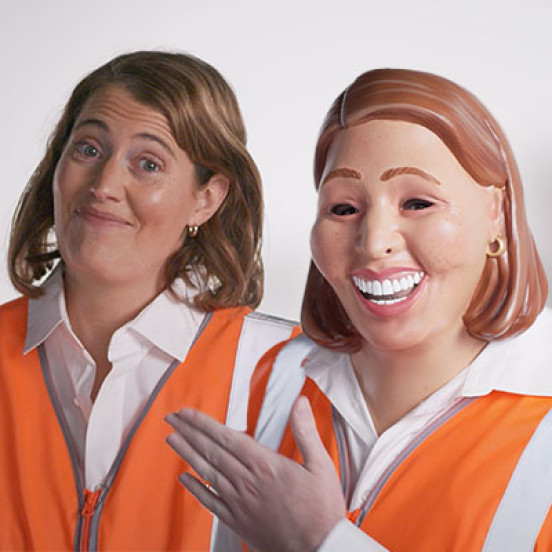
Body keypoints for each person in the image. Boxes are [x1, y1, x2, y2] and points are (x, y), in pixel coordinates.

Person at [166, 68, 552, 551]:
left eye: (417, 202)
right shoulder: (267, 382)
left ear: (496, 213)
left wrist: (323, 541)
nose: (373, 243)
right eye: (344, 208)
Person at [0, 50, 298, 551]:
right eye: (89, 150)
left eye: (148, 163)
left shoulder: (282, 374)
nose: (104, 186)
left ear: (206, 198)